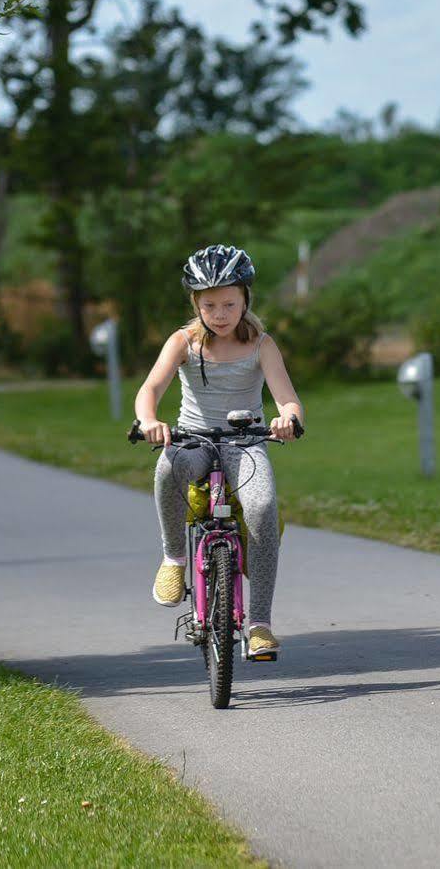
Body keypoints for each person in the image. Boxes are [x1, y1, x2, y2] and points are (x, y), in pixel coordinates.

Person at [134, 243, 304, 662]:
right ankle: (174, 557)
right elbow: (150, 389)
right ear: (196, 304)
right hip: (193, 439)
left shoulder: (262, 345)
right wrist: (149, 420)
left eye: (230, 303)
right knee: (167, 468)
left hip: (245, 442)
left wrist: (287, 419)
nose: (221, 313)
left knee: (263, 505)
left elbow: (288, 399)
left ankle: (260, 624)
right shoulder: (183, 342)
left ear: (245, 299)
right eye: (210, 305)